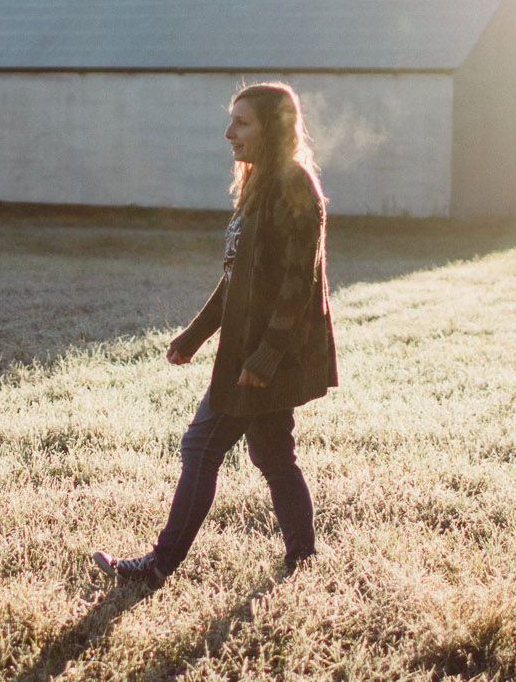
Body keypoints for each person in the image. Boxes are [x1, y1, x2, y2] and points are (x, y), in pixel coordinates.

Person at [96, 81, 337, 586]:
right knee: (273, 455)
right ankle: (305, 559)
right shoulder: (261, 182)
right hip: (248, 348)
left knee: (201, 448)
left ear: (273, 129)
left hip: (265, 353)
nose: (229, 133)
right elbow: (238, 278)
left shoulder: (293, 185)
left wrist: (267, 357)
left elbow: (299, 283)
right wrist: (196, 334)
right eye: (232, 121)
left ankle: (159, 565)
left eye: (242, 122)